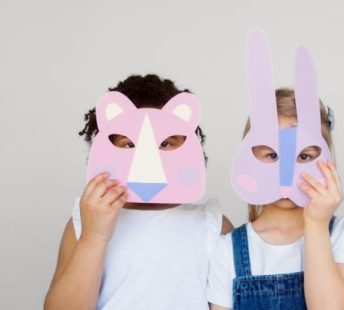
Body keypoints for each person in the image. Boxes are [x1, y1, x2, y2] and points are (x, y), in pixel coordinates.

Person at [44, 74, 233, 310]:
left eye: (166, 143)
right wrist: (94, 237)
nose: (147, 163)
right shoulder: (85, 222)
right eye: (128, 144)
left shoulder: (212, 225)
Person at [207, 89, 344, 310]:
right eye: (272, 155)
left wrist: (316, 223)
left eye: (304, 157)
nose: (286, 175)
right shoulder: (226, 249)